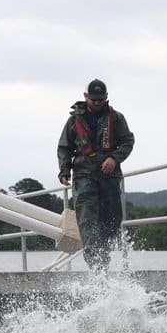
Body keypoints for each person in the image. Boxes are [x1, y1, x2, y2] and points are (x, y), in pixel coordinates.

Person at [57, 79, 135, 270]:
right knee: (88, 221)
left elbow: (128, 141)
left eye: (101, 100)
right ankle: (96, 266)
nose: (97, 103)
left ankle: (104, 258)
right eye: (94, 100)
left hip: (109, 176)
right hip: (84, 175)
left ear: (106, 98)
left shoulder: (116, 119)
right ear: (86, 97)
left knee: (112, 220)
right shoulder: (73, 121)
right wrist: (64, 170)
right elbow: (64, 147)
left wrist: (115, 158)